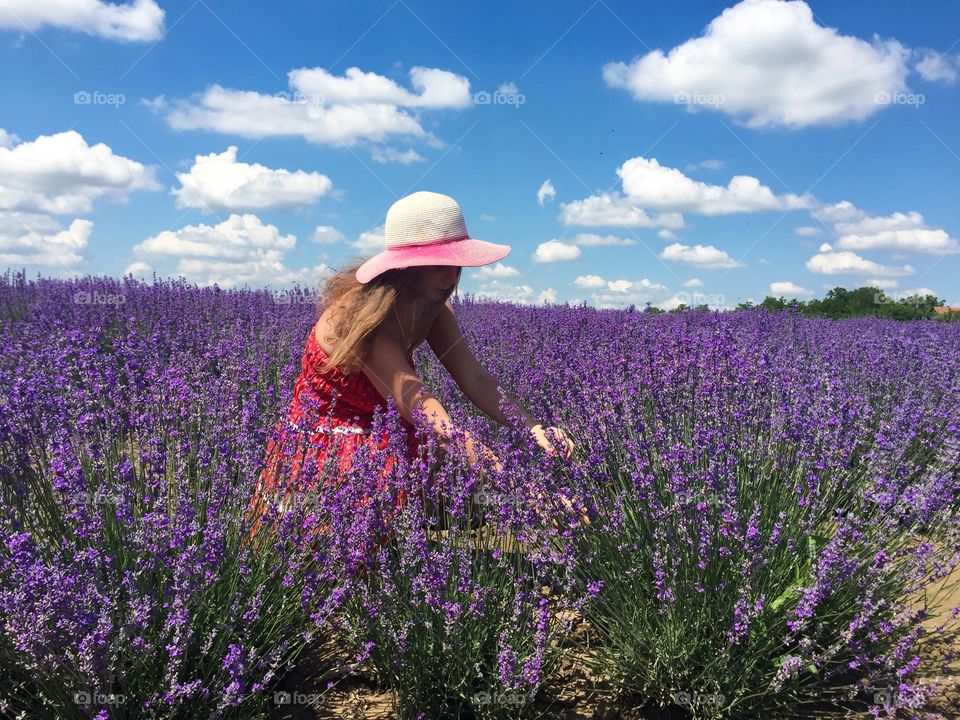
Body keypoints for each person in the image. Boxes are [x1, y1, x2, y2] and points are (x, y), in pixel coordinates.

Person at [247, 191, 575, 542]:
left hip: (387, 425)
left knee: (461, 486)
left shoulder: (433, 308)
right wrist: (517, 486)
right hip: (332, 437)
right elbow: (422, 408)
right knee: (367, 517)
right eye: (438, 265)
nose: (450, 277)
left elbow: (475, 379)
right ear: (406, 267)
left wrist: (533, 428)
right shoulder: (362, 320)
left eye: (456, 264)